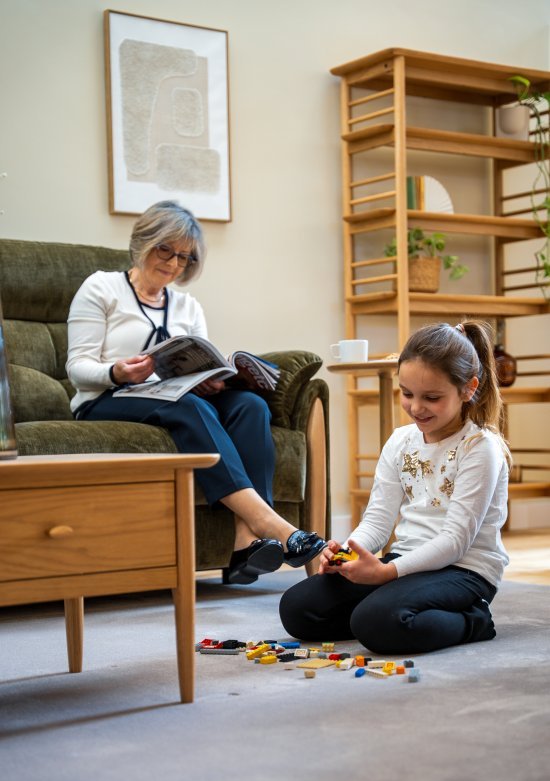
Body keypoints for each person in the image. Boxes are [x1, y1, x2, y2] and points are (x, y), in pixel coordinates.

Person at [66, 200, 325, 583]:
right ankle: (269, 522)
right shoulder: (101, 287)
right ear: (143, 242)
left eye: (184, 257)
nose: (172, 263)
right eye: (165, 250)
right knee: (186, 406)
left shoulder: (187, 305)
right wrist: (118, 371)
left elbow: (199, 362)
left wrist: (212, 380)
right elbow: (77, 368)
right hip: (108, 398)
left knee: (250, 405)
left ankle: (244, 544)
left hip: (174, 396)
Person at [280, 320, 511, 654]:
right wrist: (348, 552)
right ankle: (388, 611)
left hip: (464, 570)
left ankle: (473, 620)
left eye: (431, 397)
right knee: (298, 609)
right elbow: (377, 519)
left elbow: (456, 541)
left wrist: (386, 574)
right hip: (407, 560)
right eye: (407, 394)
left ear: (468, 388)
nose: (416, 408)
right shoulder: (401, 441)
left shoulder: (479, 447)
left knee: (377, 623)